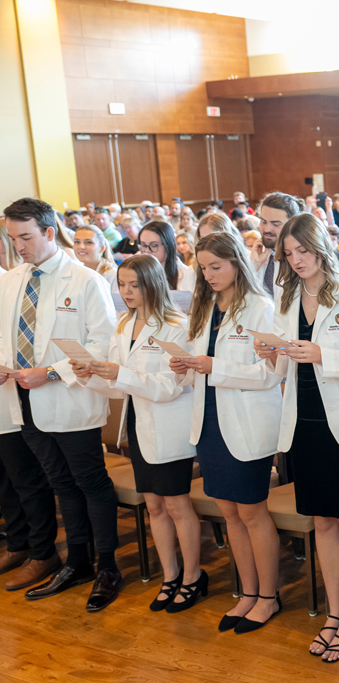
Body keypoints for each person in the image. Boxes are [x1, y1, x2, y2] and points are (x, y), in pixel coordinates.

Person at [255, 214, 339, 661]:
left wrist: (322, 353)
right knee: (322, 523)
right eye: (289, 254)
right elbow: (282, 368)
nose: (297, 260)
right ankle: (333, 611)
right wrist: (271, 352)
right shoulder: (287, 296)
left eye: (303, 251)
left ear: (320, 247)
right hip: (304, 421)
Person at [0, 198, 121, 611]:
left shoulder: (85, 280)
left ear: (49, 233)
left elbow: (100, 345)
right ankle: (78, 561)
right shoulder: (12, 280)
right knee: (60, 485)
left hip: (70, 399)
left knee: (90, 483)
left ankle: (108, 566)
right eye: (13, 238)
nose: (19, 246)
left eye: (26, 237)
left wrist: (50, 373)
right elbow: (6, 334)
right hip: (26, 400)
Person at [73, 254, 204, 613]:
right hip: (140, 425)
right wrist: (92, 375)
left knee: (177, 505)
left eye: (134, 285)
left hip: (170, 425)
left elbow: (169, 386)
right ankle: (170, 575)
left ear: (153, 284)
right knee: (154, 505)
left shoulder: (178, 325)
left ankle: (193, 576)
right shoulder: (122, 324)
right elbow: (121, 388)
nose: (127, 292)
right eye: (122, 284)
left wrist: (118, 373)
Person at [175, 231, 283, 634]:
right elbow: (196, 367)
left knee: (252, 512)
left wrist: (213, 367)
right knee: (229, 512)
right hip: (208, 423)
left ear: (237, 262)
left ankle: (269, 596)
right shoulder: (204, 308)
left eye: (216, 266)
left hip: (247, 424)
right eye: (203, 268)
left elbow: (269, 374)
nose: (209, 275)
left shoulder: (260, 307)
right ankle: (248, 592)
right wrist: (185, 368)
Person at [0, 260, 60, 594]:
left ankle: (42, 552)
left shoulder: (8, 282)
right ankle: (18, 544)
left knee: (25, 479)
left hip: (14, 392)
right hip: (8, 394)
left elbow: (12, 335)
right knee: (4, 481)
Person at [252, 192, 303, 297]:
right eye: (263, 222)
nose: (267, 229)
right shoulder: (256, 255)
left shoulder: (303, 260)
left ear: (293, 224)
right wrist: (254, 266)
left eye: (275, 224)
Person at [140, 221, 195, 293]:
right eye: (144, 245)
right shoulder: (139, 274)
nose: (147, 251)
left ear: (169, 245)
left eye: (154, 245)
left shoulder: (187, 275)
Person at [73, 224, 118, 290]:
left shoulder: (112, 275)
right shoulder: (75, 271)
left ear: (102, 248)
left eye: (88, 242)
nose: (81, 246)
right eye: (77, 242)